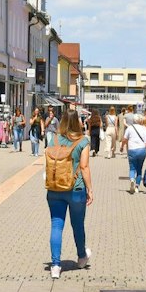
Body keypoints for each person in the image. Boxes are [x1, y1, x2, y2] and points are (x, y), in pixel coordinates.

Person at [44, 111, 93, 278]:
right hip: (75, 189)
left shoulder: (54, 139)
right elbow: (84, 167)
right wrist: (90, 189)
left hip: (55, 188)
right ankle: (81, 257)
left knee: (56, 225)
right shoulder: (83, 141)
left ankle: (55, 265)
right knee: (78, 225)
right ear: (76, 122)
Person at [124, 110, 146, 193]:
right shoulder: (144, 129)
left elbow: (124, 139)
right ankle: (137, 187)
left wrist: (121, 147)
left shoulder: (129, 128)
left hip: (132, 150)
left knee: (132, 168)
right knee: (139, 169)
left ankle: (132, 179)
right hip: (142, 150)